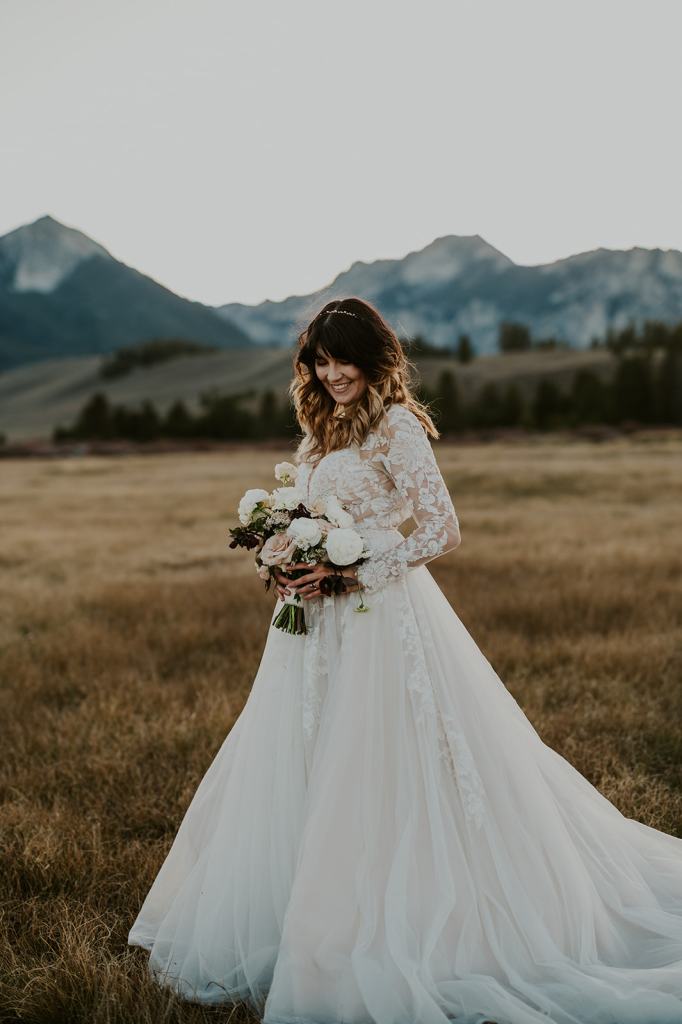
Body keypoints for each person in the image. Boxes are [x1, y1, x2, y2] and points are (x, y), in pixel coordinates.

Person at [128, 298, 682, 1024]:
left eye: (342, 359)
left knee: (383, 761)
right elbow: (311, 519)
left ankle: (412, 918)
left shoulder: (397, 426)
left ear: (375, 357)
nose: (331, 375)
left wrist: (353, 573)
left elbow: (443, 528)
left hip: (380, 619)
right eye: (319, 363)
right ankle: (308, 916)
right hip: (316, 626)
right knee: (310, 759)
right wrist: (284, 557)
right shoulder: (322, 430)